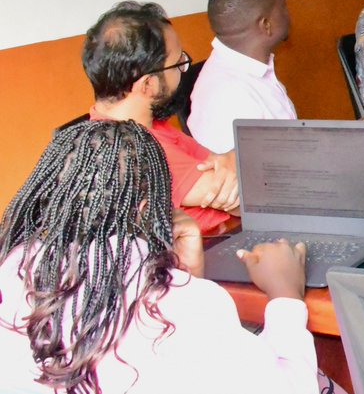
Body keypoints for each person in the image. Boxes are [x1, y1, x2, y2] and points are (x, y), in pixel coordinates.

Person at [0, 119, 316, 394]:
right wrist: (285, 295)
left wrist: (188, 275)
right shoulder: (181, 306)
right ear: (148, 208)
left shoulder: (13, 276)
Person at [84, 1, 238, 232]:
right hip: (209, 254)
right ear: (148, 85)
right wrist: (237, 160)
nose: (182, 72)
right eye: (179, 64)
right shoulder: (134, 149)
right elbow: (246, 197)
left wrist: (233, 159)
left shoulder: (147, 126)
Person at [189, 0, 297, 154]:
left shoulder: (246, 70)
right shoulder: (233, 98)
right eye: (283, 6)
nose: (288, 13)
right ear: (266, 25)